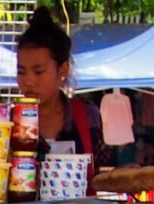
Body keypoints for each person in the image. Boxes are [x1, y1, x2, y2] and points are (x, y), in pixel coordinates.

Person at [16, 7, 113, 191]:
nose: (28, 81)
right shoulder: (8, 124)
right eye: (21, 72)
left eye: (38, 72)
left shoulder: (87, 116)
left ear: (63, 70)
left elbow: (100, 176)